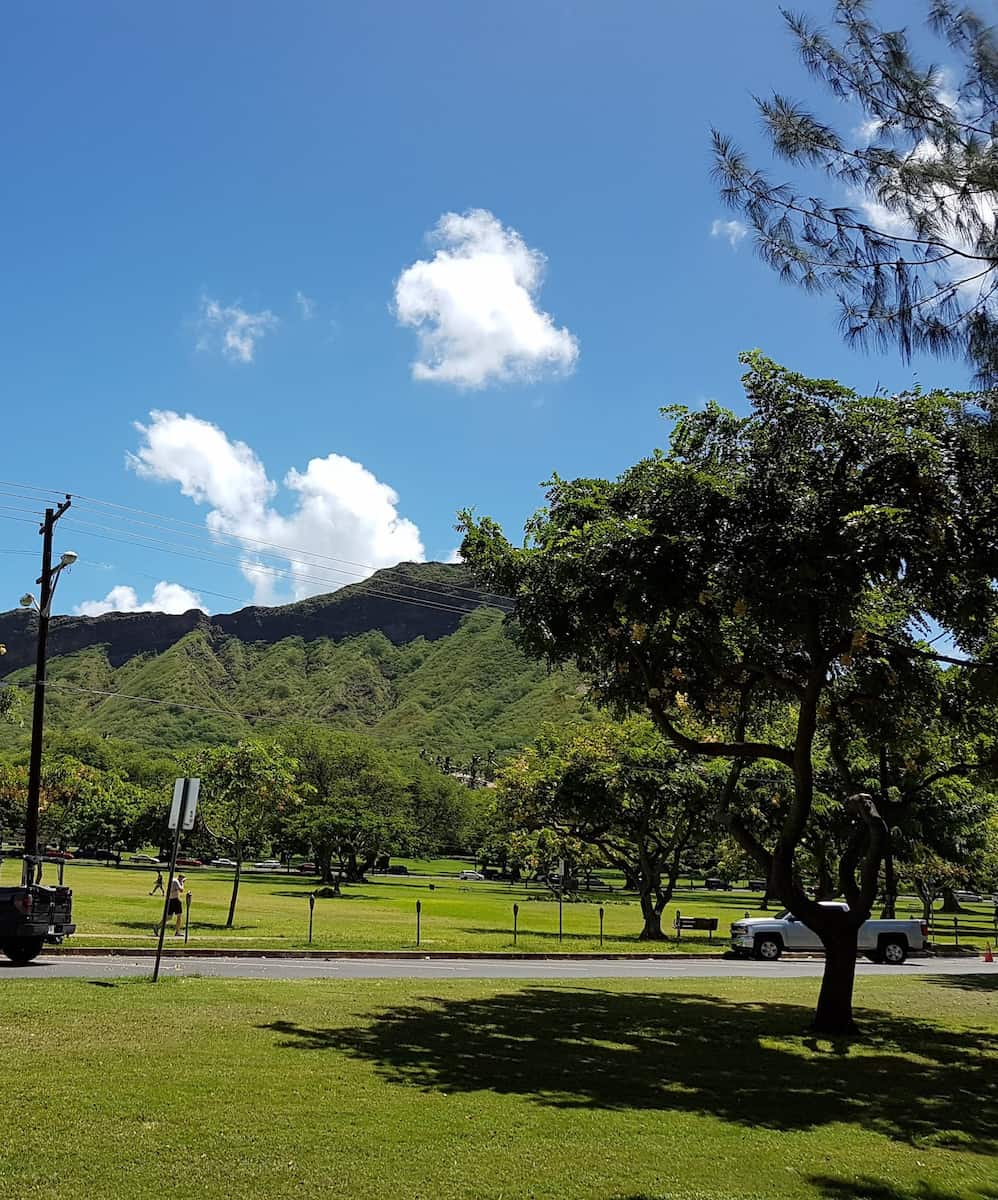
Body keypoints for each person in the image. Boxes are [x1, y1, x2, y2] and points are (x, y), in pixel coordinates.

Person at [153, 873, 186, 938]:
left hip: (170, 900)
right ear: (180, 878)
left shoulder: (173, 880)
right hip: (175, 900)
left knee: (169, 917)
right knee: (179, 916)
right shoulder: (176, 881)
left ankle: (157, 927)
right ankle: (177, 932)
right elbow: (181, 890)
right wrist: (182, 883)